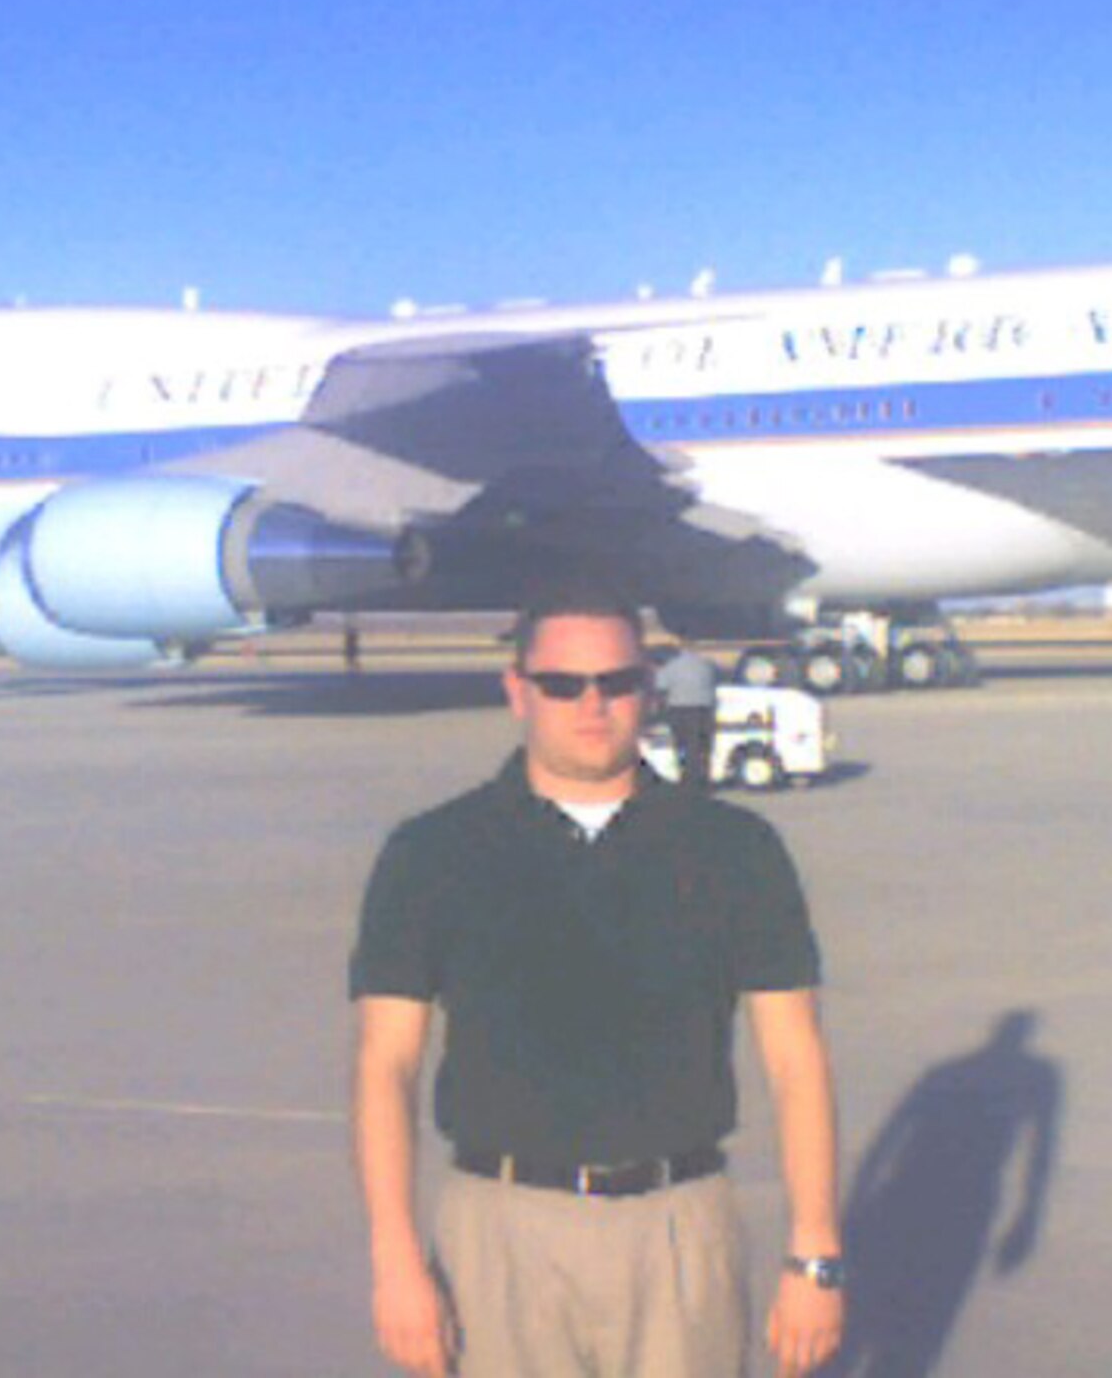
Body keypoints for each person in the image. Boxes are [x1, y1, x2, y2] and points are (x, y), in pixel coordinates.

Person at [350, 589, 844, 1378]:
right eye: (563, 684)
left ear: (648, 689)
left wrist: (814, 1257)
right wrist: (397, 1263)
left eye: (616, 682)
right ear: (518, 691)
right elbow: (386, 1066)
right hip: (499, 1232)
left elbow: (796, 1061)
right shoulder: (432, 854)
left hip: (680, 1227)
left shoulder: (733, 849)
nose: (593, 704)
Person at [653, 637, 721, 792]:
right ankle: (703, 779)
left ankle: (687, 780)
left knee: (683, 746)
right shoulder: (707, 664)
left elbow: (660, 685)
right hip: (704, 709)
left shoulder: (672, 666)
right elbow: (717, 679)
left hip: (680, 710)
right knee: (702, 747)